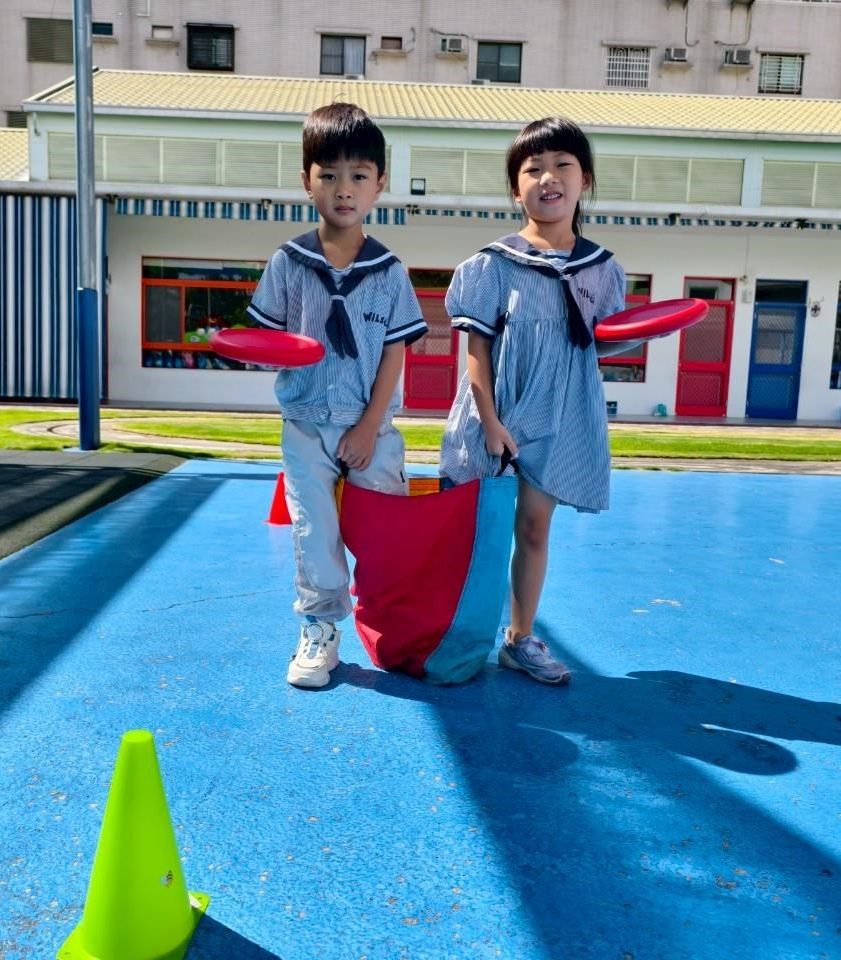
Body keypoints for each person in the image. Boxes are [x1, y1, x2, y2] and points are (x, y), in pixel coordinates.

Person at [439, 117, 628, 686]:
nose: (549, 177)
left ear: (584, 179)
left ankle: (518, 640)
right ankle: (453, 633)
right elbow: (477, 352)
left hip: (561, 415)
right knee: (481, 531)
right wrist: (491, 422)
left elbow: (603, 341)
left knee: (535, 529)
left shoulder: (602, 269)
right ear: (515, 188)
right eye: (533, 168)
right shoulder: (493, 265)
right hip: (499, 414)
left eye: (562, 165)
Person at [247, 102, 427, 689]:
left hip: (370, 426)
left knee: (383, 530)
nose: (343, 189)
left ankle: (392, 621)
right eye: (328, 175)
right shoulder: (288, 263)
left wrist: (370, 426)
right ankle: (320, 628)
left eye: (357, 175)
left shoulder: (389, 270)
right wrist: (251, 349)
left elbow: (395, 351)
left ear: (379, 184)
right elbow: (269, 340)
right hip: (304, 424)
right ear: (306, 181)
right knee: (313, 531)